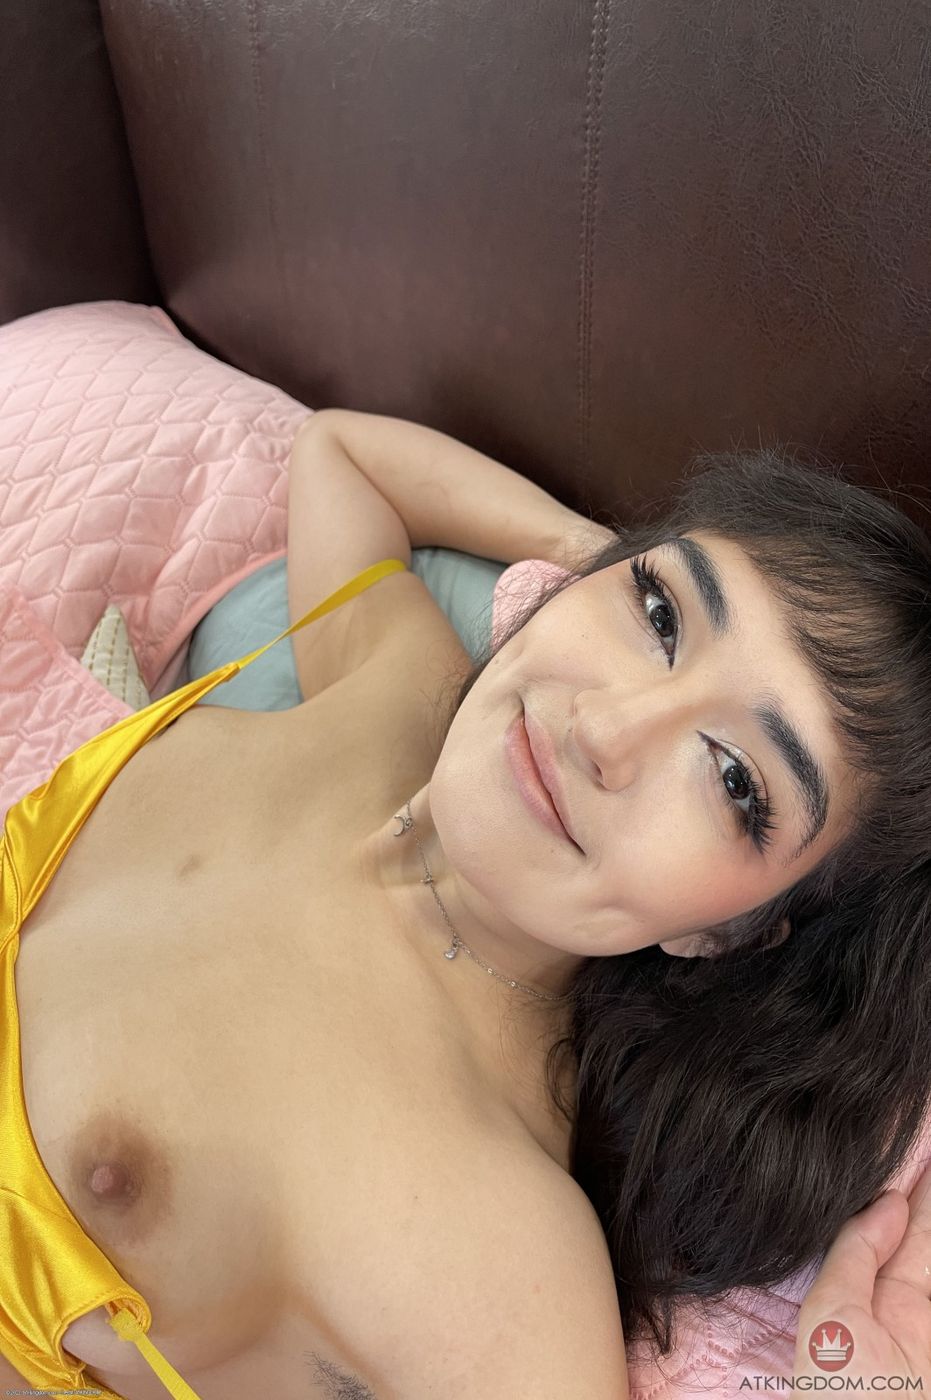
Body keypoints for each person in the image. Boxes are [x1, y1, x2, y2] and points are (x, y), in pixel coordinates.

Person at [1, 406, 930, 1400]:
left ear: (731, 931)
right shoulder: (403, 683)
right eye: (661, 614)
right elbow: (343, 455)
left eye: (735, 779)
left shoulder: (495, 1253)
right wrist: (587, 549)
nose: (603, 728)